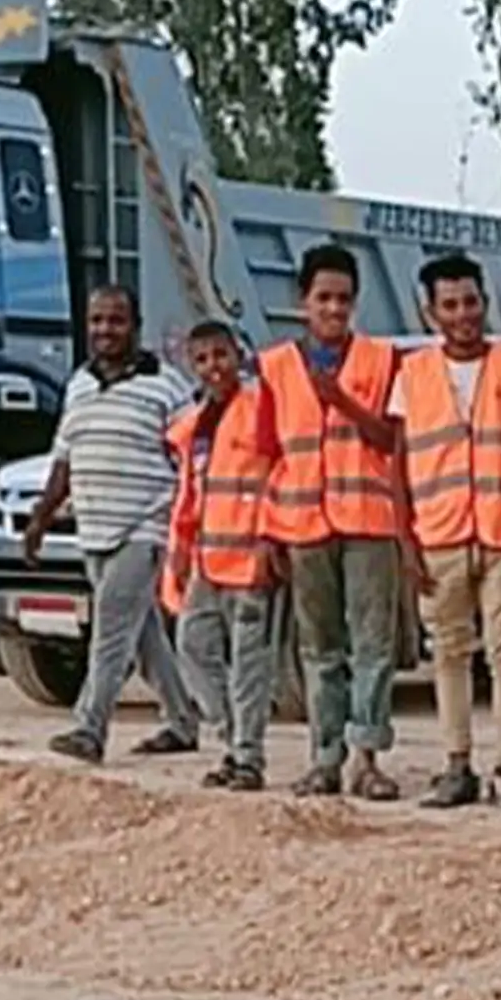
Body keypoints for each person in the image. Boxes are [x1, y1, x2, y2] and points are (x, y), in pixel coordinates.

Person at [21, 285, 203, 764]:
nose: (105, 330)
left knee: (110, 632)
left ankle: (90, 728)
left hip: (143, 527)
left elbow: (193, 455)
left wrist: (188, 521)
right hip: (94, 528)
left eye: (116, 321)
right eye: (97, 320)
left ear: (135, 326)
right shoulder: (79, 385)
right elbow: (64, 458)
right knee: (142, 636)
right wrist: (40, 518)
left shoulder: (167, 385)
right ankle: (182, 721)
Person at [260, 245, 411, 801]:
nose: (333, 309)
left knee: (372, 645)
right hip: (303, 523)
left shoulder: (382, 359)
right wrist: (267, 531)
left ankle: (366, 758)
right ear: (302, 300)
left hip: (368, 522)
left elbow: (392, 439)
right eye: (323, 297)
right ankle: (325, 758)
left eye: (343, 299)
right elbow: (266, 454)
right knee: (319, 647)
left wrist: (342, 401)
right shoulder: (276, 367)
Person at [393, 252, 501, 809]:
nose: (463, 315)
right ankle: (457, 766)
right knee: (448, 654)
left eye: (471, 302)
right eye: (450, 305)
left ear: (486, 302)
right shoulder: (412, 374)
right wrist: (406, 541)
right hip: (440, 537)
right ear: (430, 313)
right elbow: (397, 461)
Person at [166, 321, 283, 790]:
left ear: (237, 355)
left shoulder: (260, 408)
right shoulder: (198, 423)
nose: (213, 366)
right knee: (193, 648)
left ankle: (248, 757)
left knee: (249, 665)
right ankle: (231, 740)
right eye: (202, 359)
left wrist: (270, 538)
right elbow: (191, 494)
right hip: (207, 562)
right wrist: (181, 549)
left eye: (220, 355)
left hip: (250, 562)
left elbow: (278, 475)